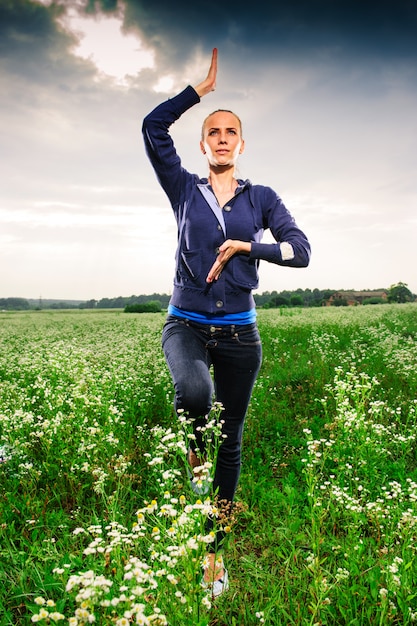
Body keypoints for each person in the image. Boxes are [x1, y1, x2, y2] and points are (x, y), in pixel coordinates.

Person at [142, 48, 311, 597]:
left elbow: (301, 250)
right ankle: (192, 444)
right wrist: (199, 93)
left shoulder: (261, 198)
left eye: (229, 132)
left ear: (241, 145)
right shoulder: (184, 190)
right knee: (193, 391)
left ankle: (214, 553)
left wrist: (250, 245)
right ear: (202, 143)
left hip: (241, 331)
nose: (219, 137)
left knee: (232, 440)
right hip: (185, 322)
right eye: (212, 131)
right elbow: (151, 126)